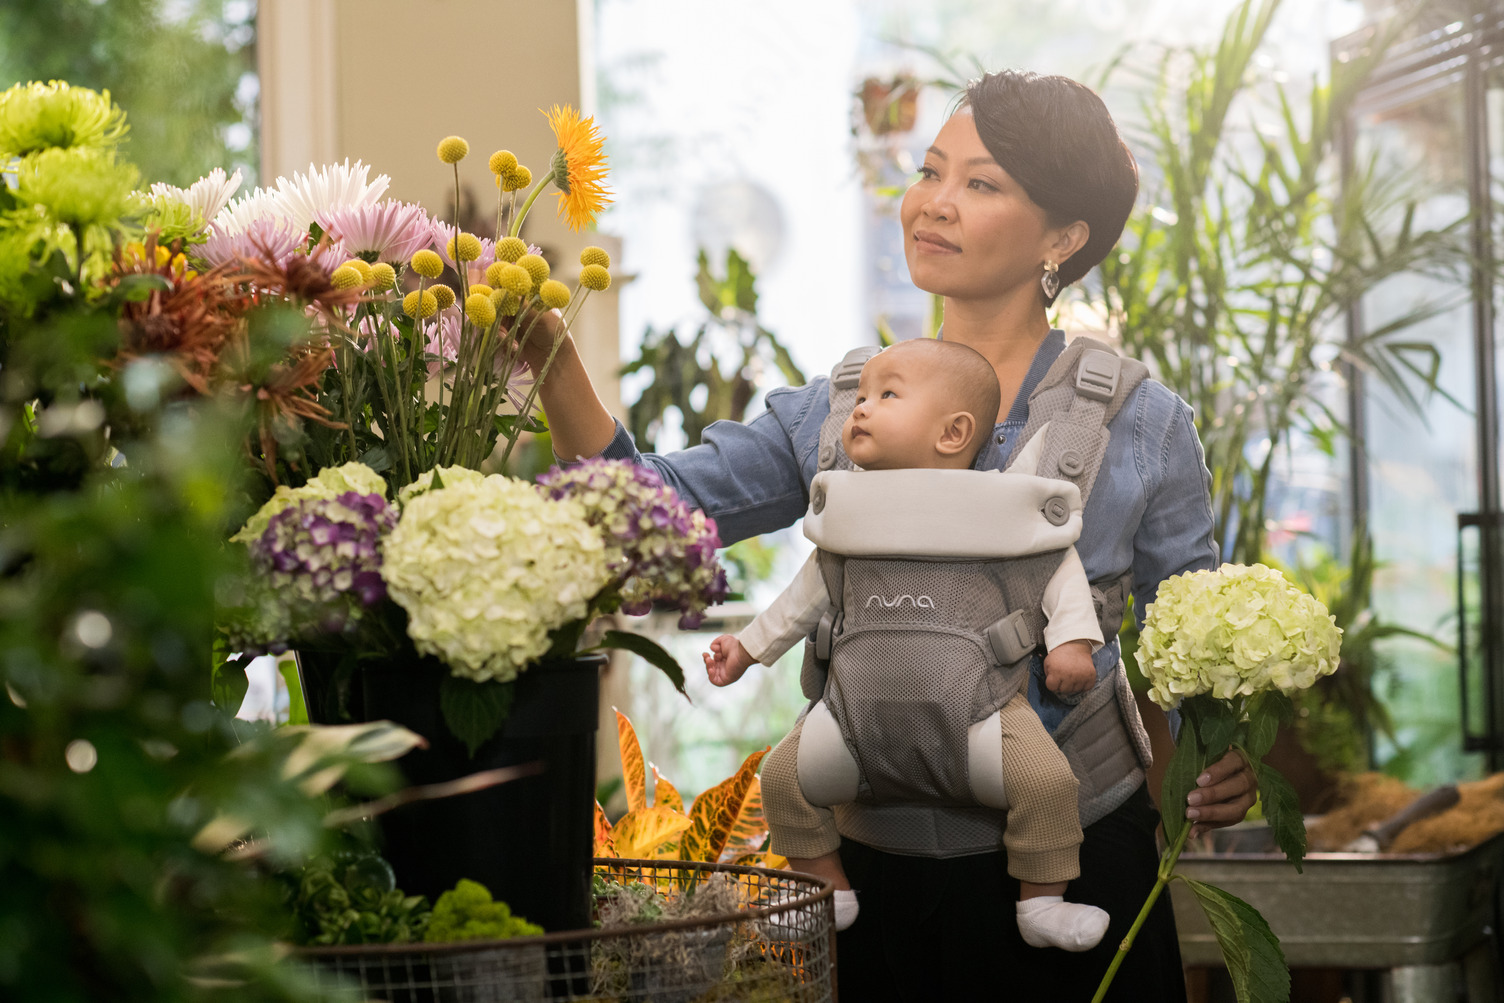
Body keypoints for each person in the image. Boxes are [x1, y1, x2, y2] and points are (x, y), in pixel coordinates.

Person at [519, 69, 1256, 1000]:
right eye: (930, 171)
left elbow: (1191, 642)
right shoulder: (839, 413)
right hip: (872, 891)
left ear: (1064, 236)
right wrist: (551, 360)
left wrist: (1218, 756)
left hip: (1077, 879)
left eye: (981, 185)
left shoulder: (1142, 426)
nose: (933, 205)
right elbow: (643, 509)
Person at [703, 337, 1112, 952]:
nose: (861, 408)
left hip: (981, 716)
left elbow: (1056, 571)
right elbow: (803, 598)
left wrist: (1072, 643)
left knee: (1049, 782)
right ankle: (826, 887)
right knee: (782, 776)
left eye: (886, 395)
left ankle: (1042, 903)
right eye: (861, 394)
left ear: (953, 433)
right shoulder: (847, 513)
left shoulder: (1005, 507)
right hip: (851, 721)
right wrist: (748, 649)